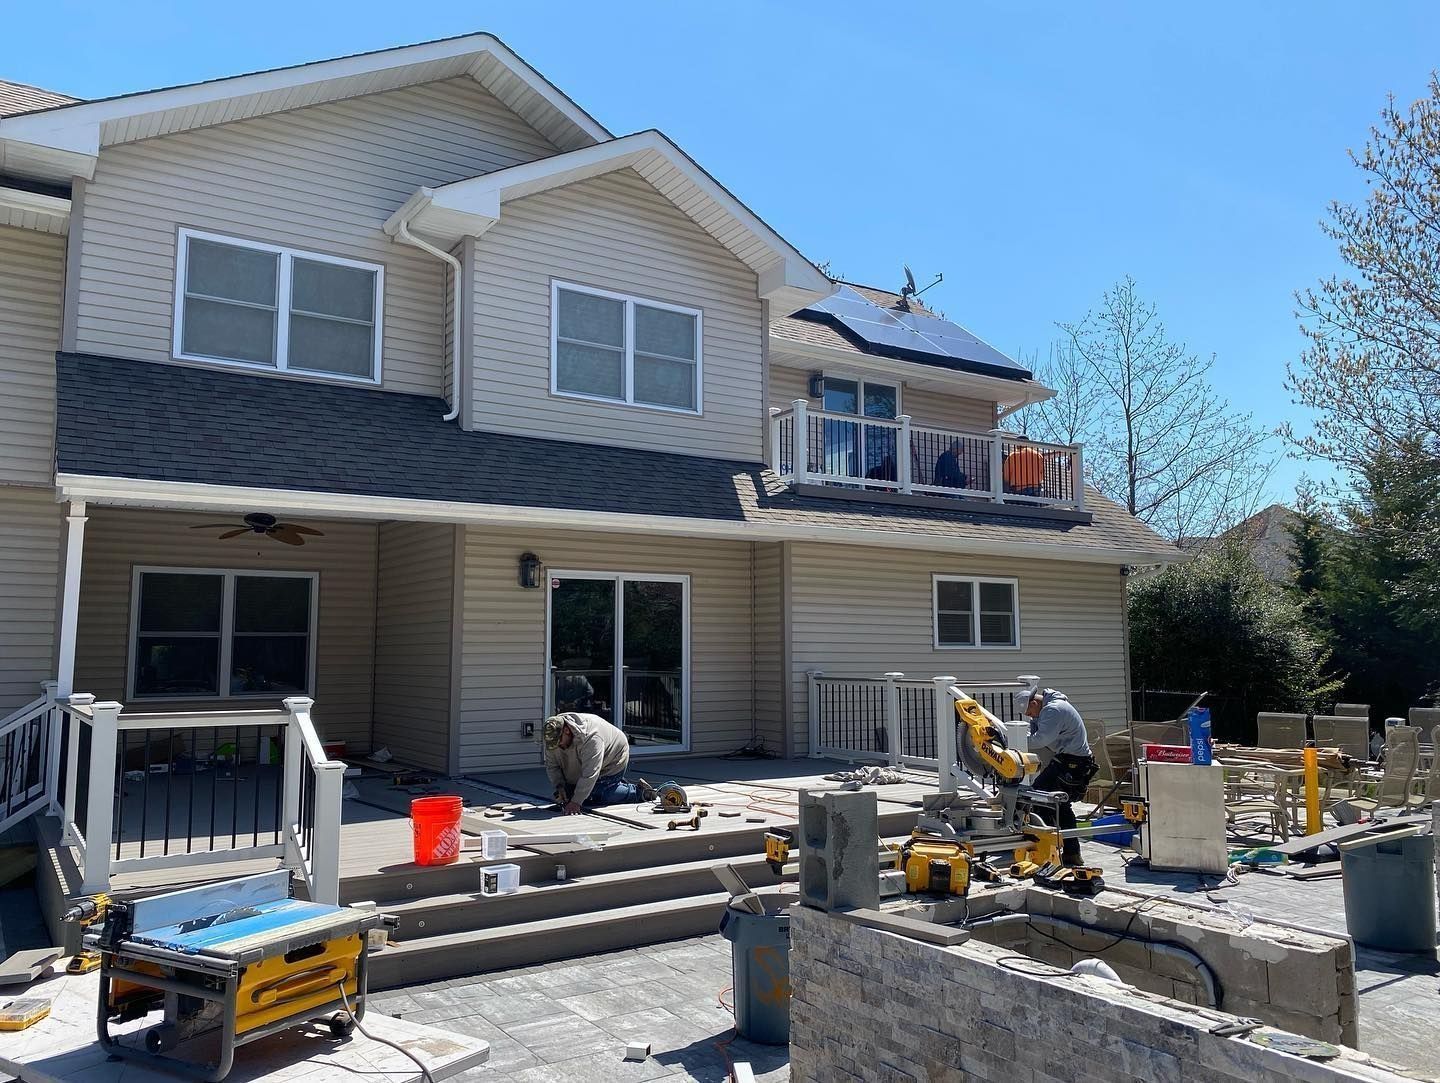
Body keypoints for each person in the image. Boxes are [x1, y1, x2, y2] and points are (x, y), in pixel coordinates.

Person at [1024, 689, 1098, 866]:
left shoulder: (1053, 709)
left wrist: (1014, 738)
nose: (1030, 716)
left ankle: (1048, 851)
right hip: (1072, 761)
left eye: (1029, 712)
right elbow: (1039, 732)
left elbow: (1040, 740)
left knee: (1039, 796)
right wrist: (1033, 723)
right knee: (1059, 804)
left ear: (1034, 703)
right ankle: (1070, 853)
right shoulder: (1052, 707)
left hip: (1072, 762)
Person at [542, 713, 656, 814]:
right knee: (572, 794)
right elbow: (552, 766)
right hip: (587, 765)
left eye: (559, 742)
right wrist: (560, 786)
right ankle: (612, 785)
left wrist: (576, 803)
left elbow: (590, 774)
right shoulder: (553, 737)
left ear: (566, 731)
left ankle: (640, 792)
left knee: (597, 794)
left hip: (613, 760)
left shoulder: (591, 738)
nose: (557, 747)